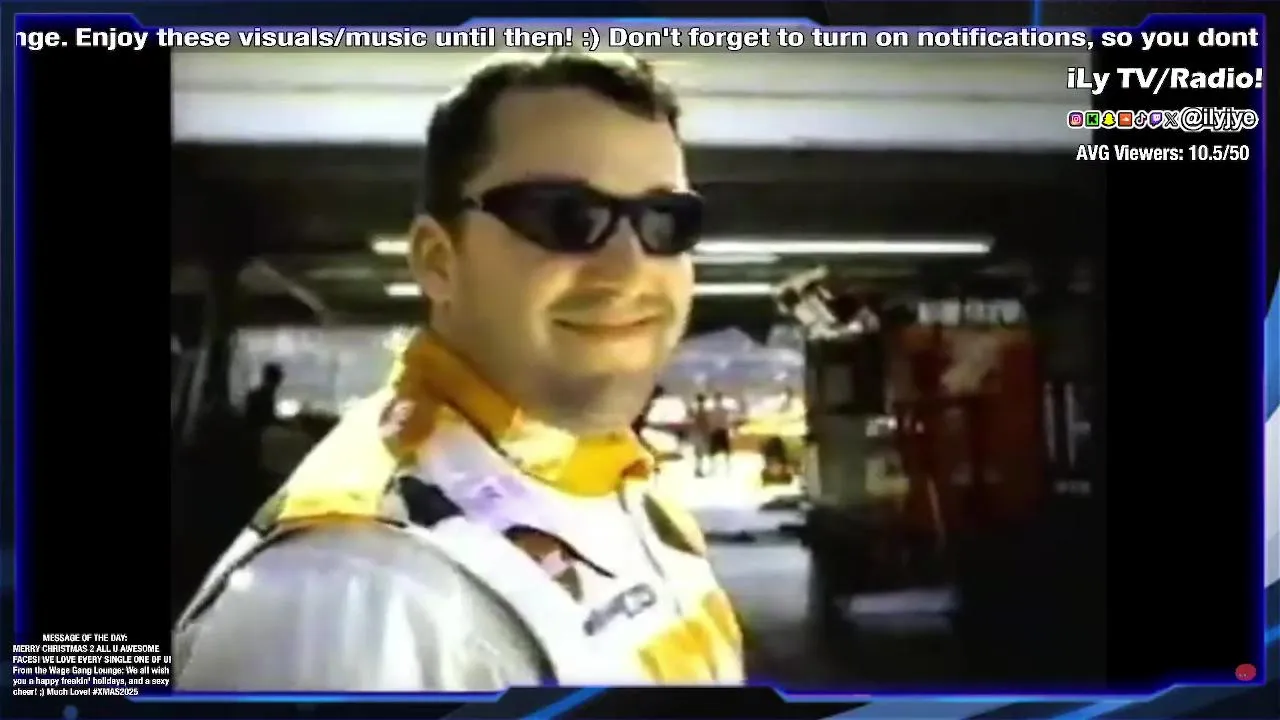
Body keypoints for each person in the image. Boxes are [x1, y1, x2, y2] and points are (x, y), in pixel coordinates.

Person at [173, 52, 744, 691]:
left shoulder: (620, 483)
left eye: (665, 221)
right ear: (438, 261)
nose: (630, 268)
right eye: (565, 216)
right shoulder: (356, 594)